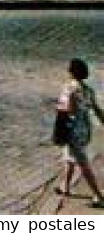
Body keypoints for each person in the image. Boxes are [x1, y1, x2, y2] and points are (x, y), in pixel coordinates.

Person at [57, 58, 104, 207]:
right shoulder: (88, 90)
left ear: (71, 72)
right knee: (70, 158)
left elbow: (68, 110)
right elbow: (96, 109)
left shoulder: (69, 88)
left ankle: (99, 196)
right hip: (85, 130)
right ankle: (65, 186)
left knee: (83, 164)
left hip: (72, 130)